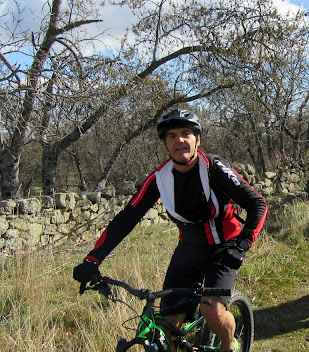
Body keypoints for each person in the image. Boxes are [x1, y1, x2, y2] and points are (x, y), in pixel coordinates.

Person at [73, 107, 268, 352]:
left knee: (213, 310)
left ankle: (230, 345)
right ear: (165, 144)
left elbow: (257, 204)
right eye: (172, 136)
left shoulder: (214, 168)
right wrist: (92, 260)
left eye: (186, 133)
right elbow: (126, 218)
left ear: (198, 139)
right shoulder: (159, 178)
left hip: (225, 246)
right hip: (190, 248)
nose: (180, 140)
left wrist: (243, 245)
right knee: (167, 326)